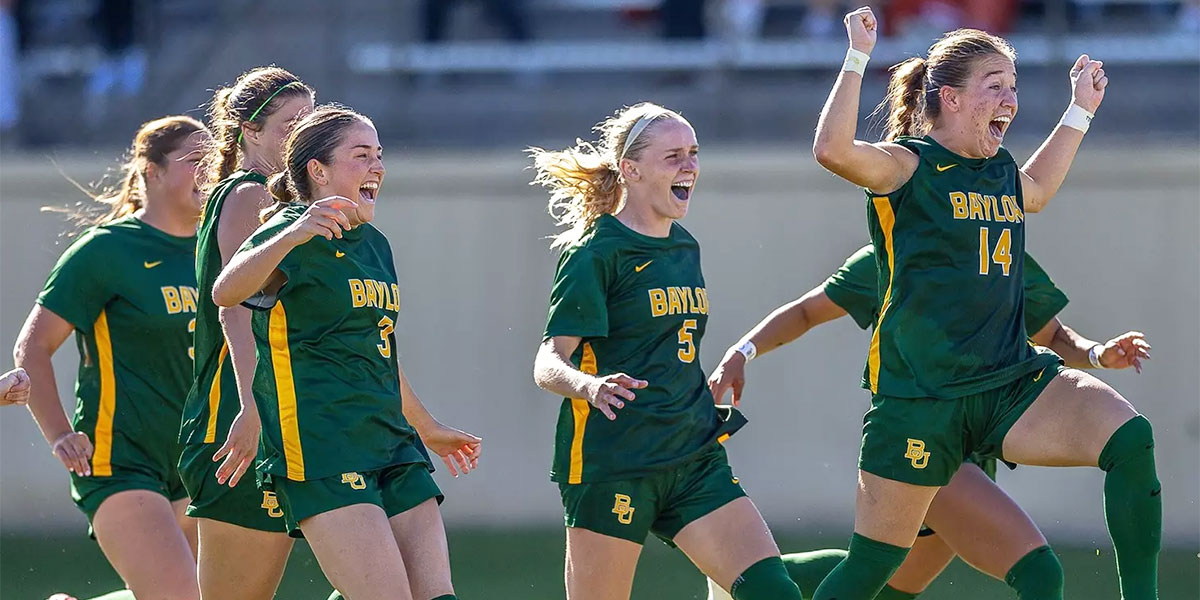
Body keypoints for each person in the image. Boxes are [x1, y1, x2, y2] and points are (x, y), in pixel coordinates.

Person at [806, 8, 1159, 599]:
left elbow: (1038, 191)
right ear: (948, 97)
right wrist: (857, 56)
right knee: (872, 571)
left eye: (1014, 88)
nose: (1010, 101)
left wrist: (1080, 110)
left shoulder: (998, 170)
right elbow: (831, 149)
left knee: (1129, 437)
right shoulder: (907, 165)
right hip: (919, 401)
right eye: (994, 87)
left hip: (1006, 382)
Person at [704, 244, 1151, 600]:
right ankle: (744, 582)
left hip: (980, 435)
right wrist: (741, 352)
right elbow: (807, 310)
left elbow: (1051, 334)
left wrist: (1096, 353)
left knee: (888, 584)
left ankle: (746, 583)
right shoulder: (892, 251)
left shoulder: (990, 229)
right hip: (923, 437)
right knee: (1039, 573)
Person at [529, 102, 801, 600]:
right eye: (673, 155)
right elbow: (548, 362)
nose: (689, 166)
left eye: (694, 153)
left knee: (774, 591)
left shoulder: (683, 246)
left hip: (692, 455)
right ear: (630, 170)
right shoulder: (595, 252)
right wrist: (589, 385)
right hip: (615, 462)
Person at [211, 105, 481, 600]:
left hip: (392, 441)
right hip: (321, 446)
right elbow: (226, 291)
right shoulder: (292, 229)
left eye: (379, 155)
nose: (378, 167)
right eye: (361, 155)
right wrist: (291, 234)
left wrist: (427, 426)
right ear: (318, 170)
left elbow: (379, 353)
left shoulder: (375, 245)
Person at [13, 115, 210, 600]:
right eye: (195, 162)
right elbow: (32, 348)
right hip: (120, 459)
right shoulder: (106, 251)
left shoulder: (221, 250)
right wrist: (59, 432)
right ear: (152, 170)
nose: (210, 174)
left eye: (216, 162)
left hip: (196, 462)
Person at [177, 66, 314, 600]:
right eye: (288, 124)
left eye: (310, 121)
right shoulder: (249, 193)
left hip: (297, 409)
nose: (302, 134)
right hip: (239, 411)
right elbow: (235, 305)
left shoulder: (295, 199)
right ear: (250, 132)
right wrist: (254, 406)